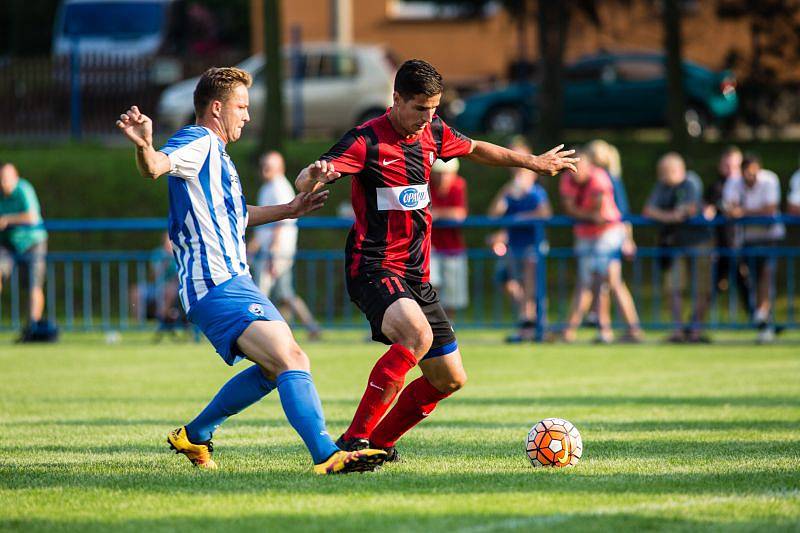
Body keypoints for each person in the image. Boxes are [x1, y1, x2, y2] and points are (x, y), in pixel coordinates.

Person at [295, 59, 577, 460]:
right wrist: (314, 175)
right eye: (419, 109)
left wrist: (532, 162)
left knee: (449, 378)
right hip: (374, 267)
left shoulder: (433, 131)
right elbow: (307, 177)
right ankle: (352, 441)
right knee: (417, 336)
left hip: (415, 275)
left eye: (433, 109)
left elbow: (478, 149)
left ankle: (381, 442)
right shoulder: (366, 141)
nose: (427, 119)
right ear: (396, 99)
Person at [116, 67, 386, 474]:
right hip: (216, 282)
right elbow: (155, 167)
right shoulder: (199, 139)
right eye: (241, 107)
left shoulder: (217, 154)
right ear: (217, 107)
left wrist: (290, 210)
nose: (247, 116)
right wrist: (144, 147)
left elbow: (236, 215)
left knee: (272, 368)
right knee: (292, 359)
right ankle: (327, 455)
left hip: (232, 280)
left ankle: (196, 434)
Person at [248, 151, 322, 340]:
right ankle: (308, 327)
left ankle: (259, 330)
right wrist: (253, 247)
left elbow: (283, 220)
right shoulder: (268, 187)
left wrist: (273, 250)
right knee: (284, 292)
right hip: (271, 248)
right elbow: (263, 223)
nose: (264, 170)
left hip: (278, 249)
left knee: (263, 288)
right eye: (263, 166)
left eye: (269, 167)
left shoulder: (279, 187)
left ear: (279, 168)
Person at [643, 153, 714, 343]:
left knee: (702, 287)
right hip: (675, 244)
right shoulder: (662, 186)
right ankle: (678, 331)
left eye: (667, 172)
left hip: (699, 242)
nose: (664, 176)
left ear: (678, 170)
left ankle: (696, 331)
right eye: (662, 172)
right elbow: (648, 210)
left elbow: (687, 211)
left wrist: (665, 216)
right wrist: (670, 216)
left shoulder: (691, 182)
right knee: (672, 287)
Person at [559, 152, 629, 343]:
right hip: (586, 233)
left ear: (589, 166)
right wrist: (586, 216)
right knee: (587, 282)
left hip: (608, 232)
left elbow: (597, 212)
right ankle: (572, 330)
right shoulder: (567, 177)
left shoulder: (599, 178)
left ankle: (613, 329)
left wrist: (582, 215)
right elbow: (570, 208)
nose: (575, 172)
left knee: (605, 282)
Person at [487, 137, 551, 342]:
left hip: (532, 244)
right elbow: (494, 214)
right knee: (511, 282)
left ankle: (534, 325)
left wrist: (519, 218)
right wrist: (506, 192)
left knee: (532, 285)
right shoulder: (510, 190)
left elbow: (545, 213)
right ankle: (529, 322)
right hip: (514, 246)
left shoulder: (535, 191)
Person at [584, 140, 643, 342]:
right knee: (608, 283)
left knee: (610, 283)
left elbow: (622, 213)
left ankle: (624, 328)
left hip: (611, 235)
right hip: (609, 235)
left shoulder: (607, 179)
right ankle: (613, 328)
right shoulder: (602, 178)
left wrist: (628, 239)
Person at [723, 155, 785, 343]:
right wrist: (740, 212)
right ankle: (761, 319)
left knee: (766, 274)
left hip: (769, 237)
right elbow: (729, 210)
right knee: (749, 279)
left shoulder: (769, 180)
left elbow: (769, 210)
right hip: (747, 238)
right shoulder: (734, 183)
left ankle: (763, 316)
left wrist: (743, 213)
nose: (751, 177)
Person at [0, 162, 50, 340]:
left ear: (15, 178)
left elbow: (32, 217)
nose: (4, 183)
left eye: (6, 179)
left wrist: (7, 220)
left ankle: (32, 327)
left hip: (32, 241)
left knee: (33, 285)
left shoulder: (23, 189)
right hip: (7, 242)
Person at [704, 146, 751, 314]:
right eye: (727, 165)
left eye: (734, 166)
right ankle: (694, 326)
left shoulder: (747, 186)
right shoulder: (715, 187)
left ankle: (762, 323)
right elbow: (708, 210)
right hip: (721, 246)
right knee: (712, 287)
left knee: (747, 285)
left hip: (742, 245)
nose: (730, 170)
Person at [428, 157, 468, 319]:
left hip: (453, 248)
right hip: (430, 247)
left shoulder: (458, 185)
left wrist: (436, 214)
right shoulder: (425, 184)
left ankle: (447, 327)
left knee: (452, 294)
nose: (444, 177)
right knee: (430, 286)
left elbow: (460, 214)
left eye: (447, 174)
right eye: (440, 173)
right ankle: (432, 324)